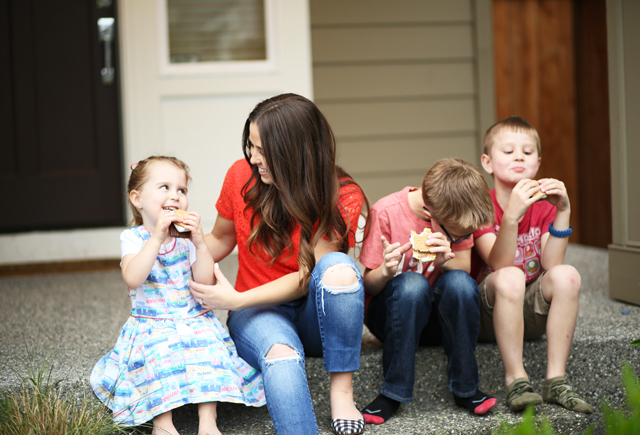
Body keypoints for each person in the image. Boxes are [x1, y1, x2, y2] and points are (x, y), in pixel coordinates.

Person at [189, 94, 369, 435]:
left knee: (340, 270)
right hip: (260, 314)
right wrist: (171, 248)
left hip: (318, 318)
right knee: (282, 356)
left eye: (262, 149)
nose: (254, 157)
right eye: (251, 146)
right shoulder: (241, 175)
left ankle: (342, 392)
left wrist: (235, 299)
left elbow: (308, 277)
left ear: (295, 151)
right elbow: (222, 239)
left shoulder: (342, 194)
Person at [91, 156, 265, 435]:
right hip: (152, 323)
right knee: (159, 351)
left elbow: (204, 281)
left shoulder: (187, 240)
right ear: (137, 199)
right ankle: (163, 423)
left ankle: (208, 423)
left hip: (193, 317)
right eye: (164, 187)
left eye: (181, 190)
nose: (175, 195)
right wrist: (156, 238)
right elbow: (133, 278)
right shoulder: (134, 239)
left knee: (209, 346)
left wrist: (200, 243)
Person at [359, 158, 497, 425]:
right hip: (391, 317)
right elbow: (369, 286)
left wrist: (446, 257)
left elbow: (463, 269)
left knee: (460, 282)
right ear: (429, 213)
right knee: (413, 284)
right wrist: (386, 270)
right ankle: (392, 393)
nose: (459, 240)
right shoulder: (386, 212)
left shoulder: (457, 215)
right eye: (456, 236)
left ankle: (466, 388)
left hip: (435, 319)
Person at [470, 116, 593, 413]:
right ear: (487, 162)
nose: (519, 158)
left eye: (527, 152)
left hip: (529, 313)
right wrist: (510, 216)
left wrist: (563, 210)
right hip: (488, 313)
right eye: (508, 151)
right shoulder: (481, 205)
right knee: (511, 274)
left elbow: (552, 263)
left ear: (538, 162)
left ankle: (555, 380)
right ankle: (516, 379)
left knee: (568, 276)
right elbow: (498, 263)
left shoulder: (542, 206)